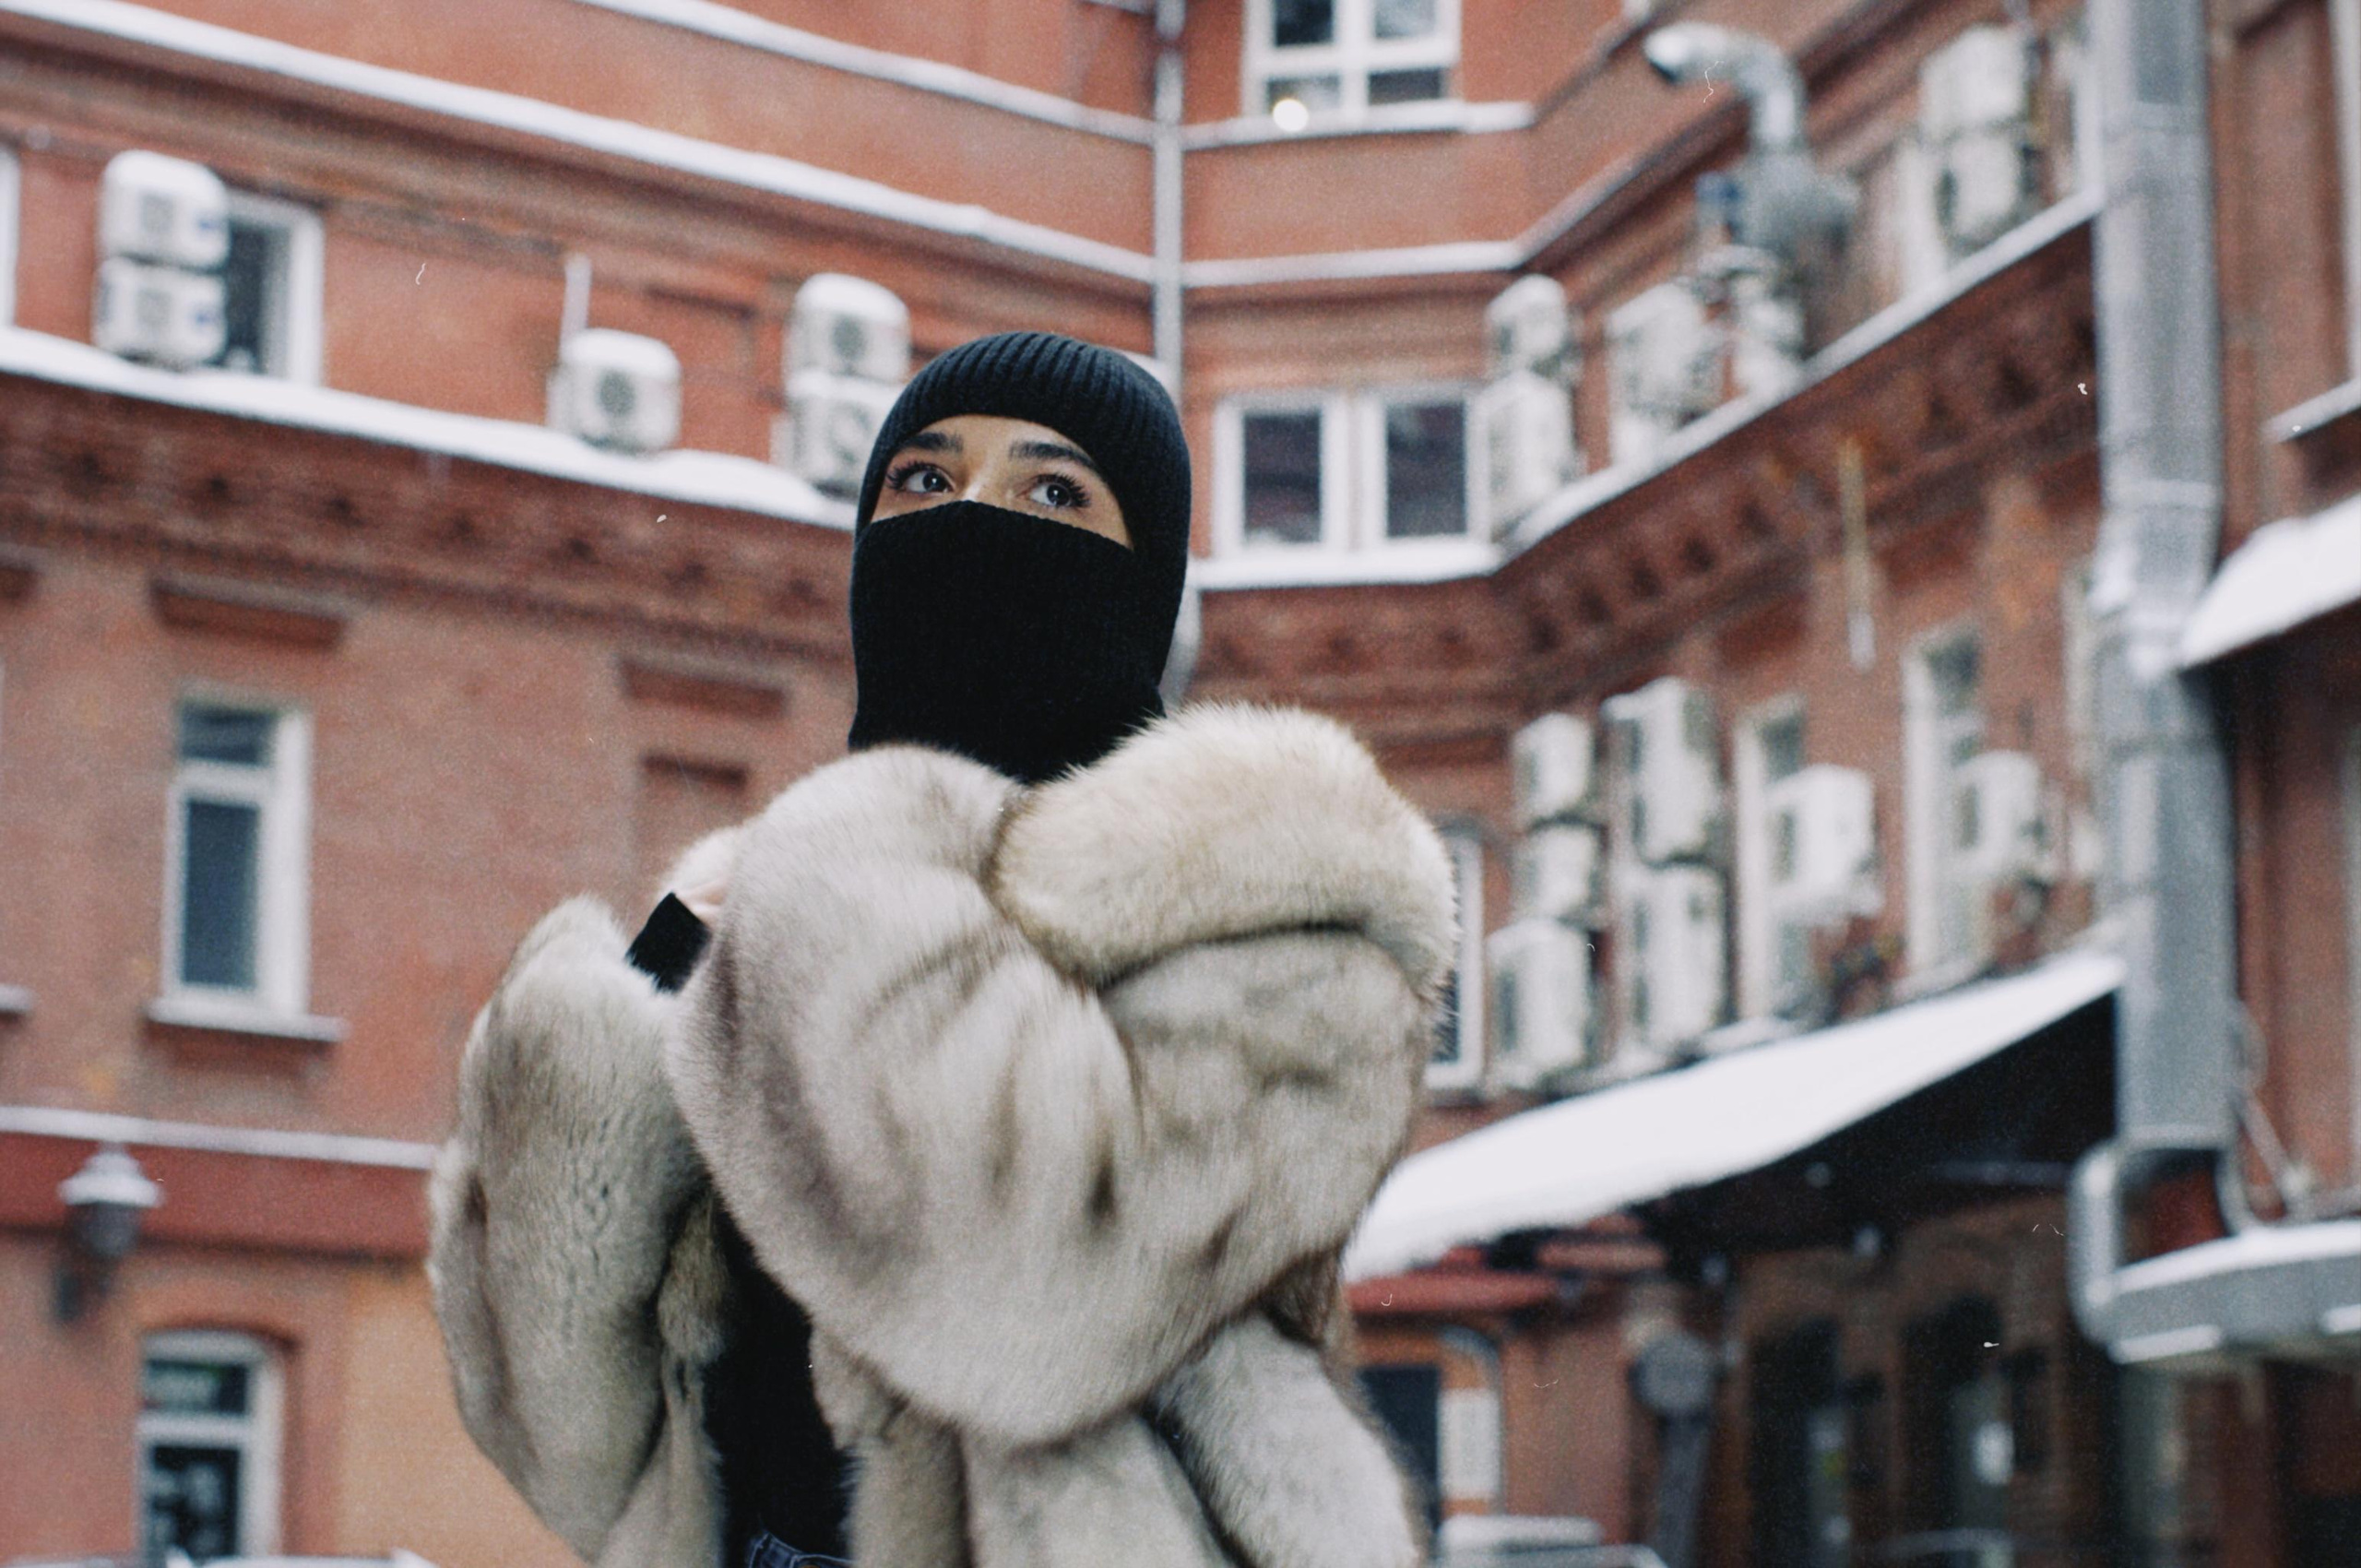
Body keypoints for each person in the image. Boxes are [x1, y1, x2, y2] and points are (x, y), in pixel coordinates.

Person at [428, 332, 1458, 1567]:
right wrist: (615, 1036)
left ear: (1140, 581)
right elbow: (566, 1426)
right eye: (922, 482)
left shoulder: (1281, 910)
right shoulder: (789, 915)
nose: (969, 522)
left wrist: (831, 893)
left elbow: (1023, 1297)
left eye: (1053, 492)